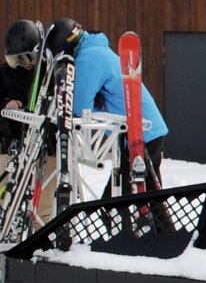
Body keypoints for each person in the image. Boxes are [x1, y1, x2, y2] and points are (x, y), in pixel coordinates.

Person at [67, 21, 169, 188]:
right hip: (148, 131)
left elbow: (79, 107)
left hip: (141, 133)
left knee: (118, 198)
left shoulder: (88, 58)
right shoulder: (97, 51)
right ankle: (155, 215)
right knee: (148, 195)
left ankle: (137, 214)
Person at [0, 19, 43, 151]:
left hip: (43, 144)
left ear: (36, 53)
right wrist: (5, 106)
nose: (19, 64)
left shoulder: (48, 73)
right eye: (13, 60)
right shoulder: (5, 72)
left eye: (24, 59)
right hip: (13, 143)